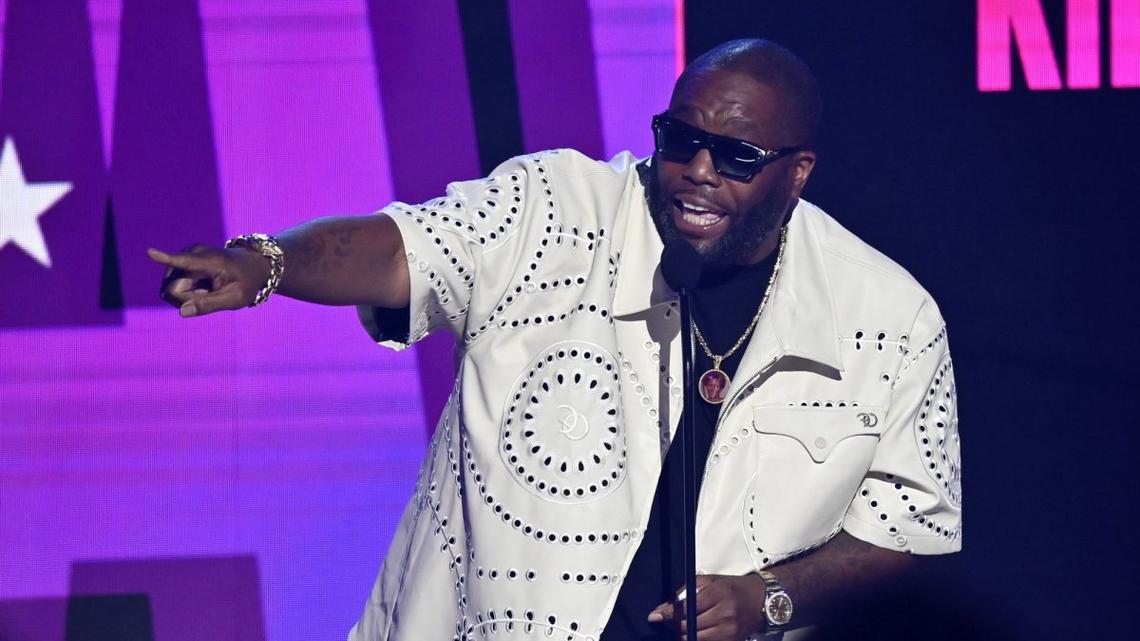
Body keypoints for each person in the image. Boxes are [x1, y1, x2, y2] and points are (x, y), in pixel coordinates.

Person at [152, 39, 961, 641]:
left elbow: (910, 529)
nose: (698, 170)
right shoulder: (552, 210)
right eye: (680, 139)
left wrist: (768, 597)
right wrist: (268, 261)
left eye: (738, 156)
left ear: (800, 170)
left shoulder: (887, 316)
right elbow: (403, 249)